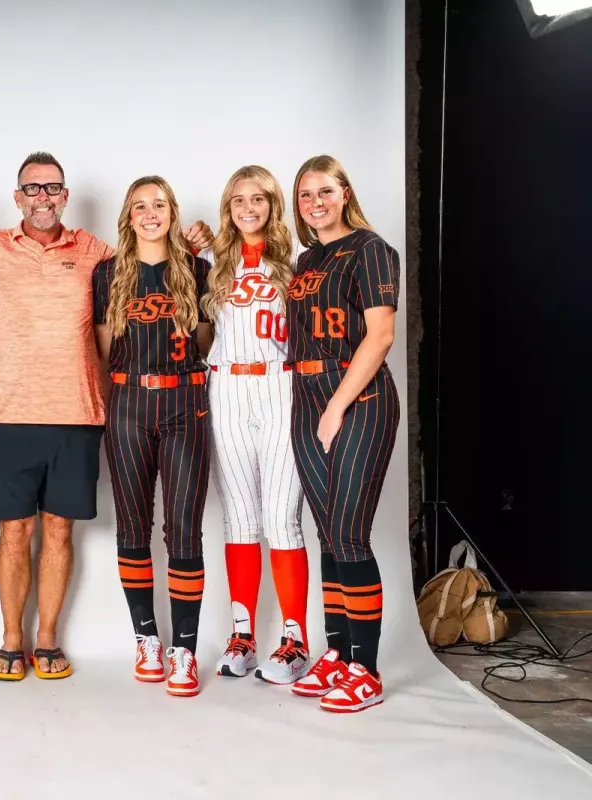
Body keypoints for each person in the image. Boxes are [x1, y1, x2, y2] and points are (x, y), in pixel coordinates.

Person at [0, 153, 213, 681]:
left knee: (57, 531)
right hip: (10, 412)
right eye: (32, 189)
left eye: (52, 189)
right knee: (14, 531)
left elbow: (148, 264)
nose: (42, 198)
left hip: (78, 411)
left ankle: (46, 640)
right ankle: (10, 641)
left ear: (65, 196)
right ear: (17, 196)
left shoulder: (96, 252)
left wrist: (190, 245)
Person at [283, 155, 400, 713]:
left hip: (358, 399)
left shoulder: (370, 248)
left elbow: (379, 337)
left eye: (324, 191)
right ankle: (336, 653)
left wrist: (335, 405)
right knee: (328, 534)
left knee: (350, 534)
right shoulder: (307, 258)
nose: (315, 203)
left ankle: (366, 670)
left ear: (345, 193)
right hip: (306, 399)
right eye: (305, 195)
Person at [93, 176, 213, 697]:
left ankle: (183, 648)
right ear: (128, 216)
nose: (150, 214)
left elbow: (207, 341)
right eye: (139, 206)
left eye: (159, 205)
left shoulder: (199, 269)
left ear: (172, 212)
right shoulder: (107, 275)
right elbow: (103, 352)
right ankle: (146, 639)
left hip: (186, 402)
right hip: (128, 405)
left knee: (184, 531)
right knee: (133, 528)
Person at [199, 166, 312, 685]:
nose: (248, 207)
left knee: (281, 518)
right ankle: (243, 634)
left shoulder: (295, 264)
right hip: (226, 386)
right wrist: (190, 238)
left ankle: (295, 640)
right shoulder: (212, 265)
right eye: (239, 199)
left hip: (279, 384)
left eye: (259, 198)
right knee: (240, 518)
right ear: (229, 207)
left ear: (272, 205)